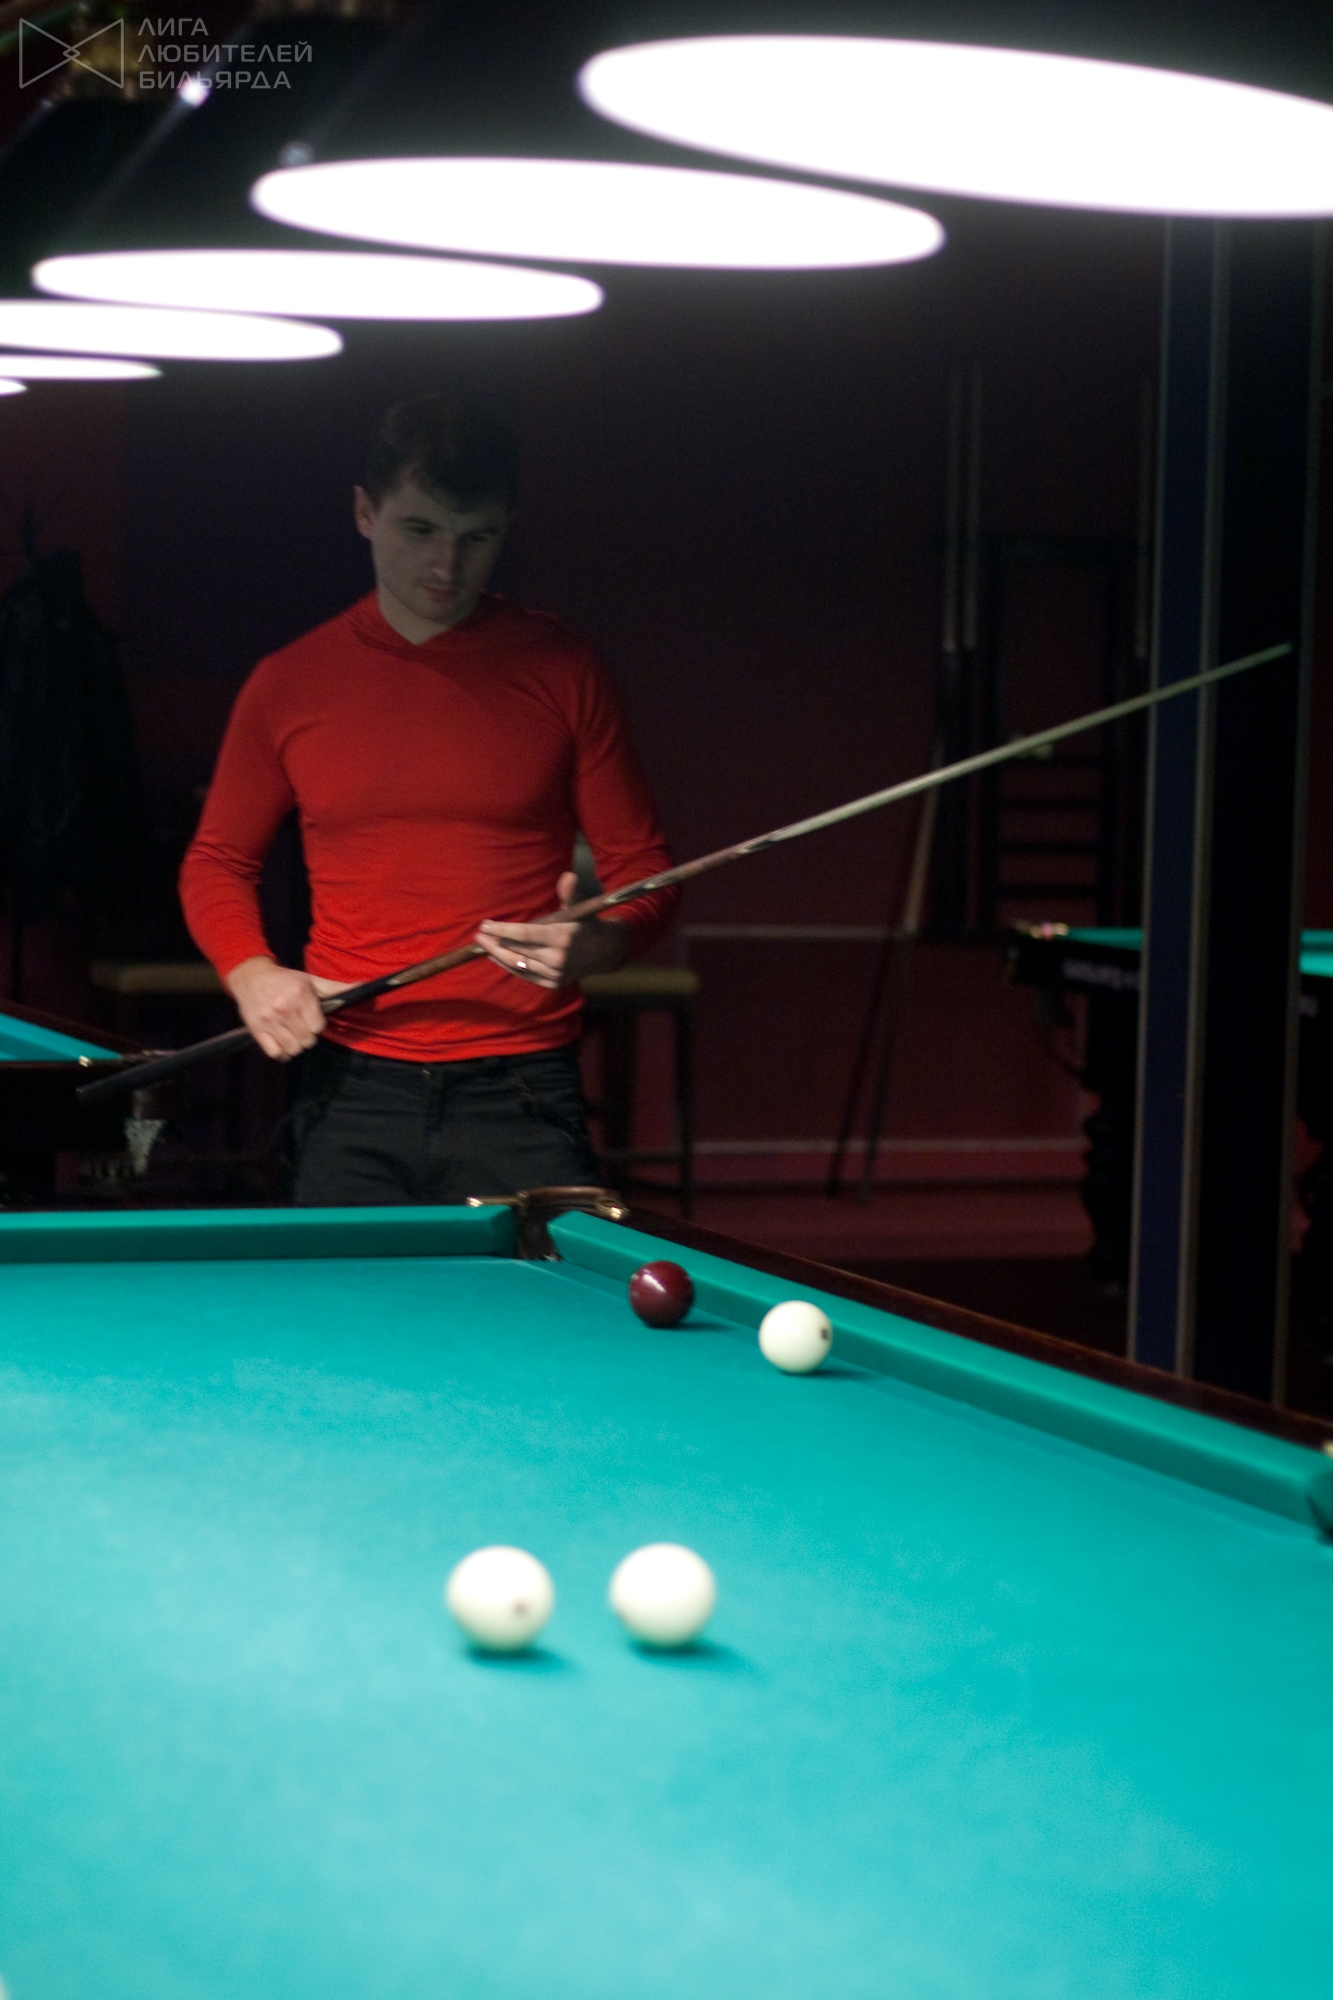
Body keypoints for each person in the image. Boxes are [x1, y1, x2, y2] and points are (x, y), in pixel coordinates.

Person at [180, 395, 679, 1204]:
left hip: (521, 1088)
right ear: (364, 513)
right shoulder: (289, 682)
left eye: (476, 537)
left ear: (507, 526)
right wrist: (252, 972)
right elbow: (218, 860)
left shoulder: (564, 670)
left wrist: (600, 943)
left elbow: (645, 869)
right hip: (349, 1088)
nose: (447, 566)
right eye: (419, 530)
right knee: (339, 1294)